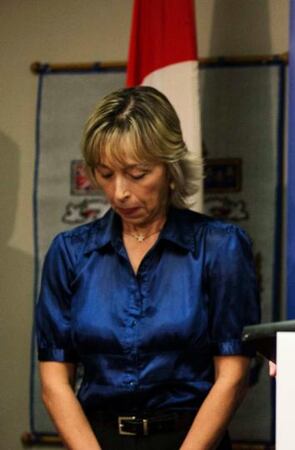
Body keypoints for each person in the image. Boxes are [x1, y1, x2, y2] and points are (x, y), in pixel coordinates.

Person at [35, 86, 260, 449]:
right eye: (106, 174)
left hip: (191, 440)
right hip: (96, 440)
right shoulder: (71, 253)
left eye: (137, 173)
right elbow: (54, 382)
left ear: (170, 168)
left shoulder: (219, 247)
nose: (120, 192)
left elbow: (233, 377)